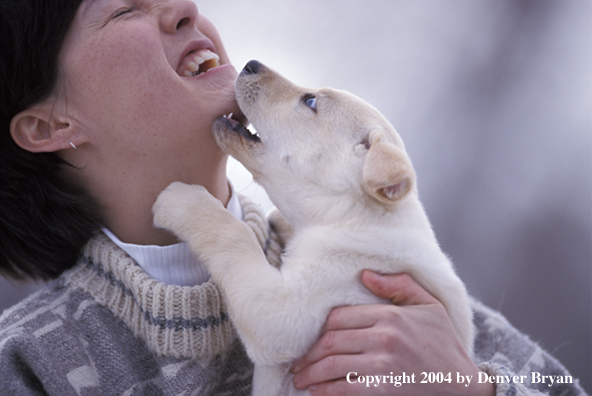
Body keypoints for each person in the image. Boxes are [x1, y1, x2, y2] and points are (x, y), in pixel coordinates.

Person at [0, 1, 587, 395]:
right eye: (126, 7)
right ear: (50, 126)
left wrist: (474, 387)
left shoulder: (401, 305)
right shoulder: (27, 363)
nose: (184, 9)